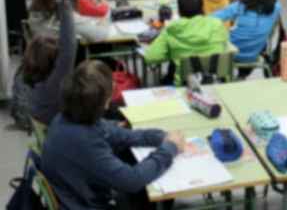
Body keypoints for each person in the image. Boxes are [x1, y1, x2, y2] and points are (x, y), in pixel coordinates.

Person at [42, 60, 185, 209]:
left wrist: (159, 136)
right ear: (101, 103)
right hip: (87, 204)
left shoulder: (70, 115)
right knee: (148, 185)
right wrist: (169, 149)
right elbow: (131, 181)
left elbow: (114, 132)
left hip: (77, 193)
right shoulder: (86, 142)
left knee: (141, 169)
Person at [24, 0, 76, 125]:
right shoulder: (55, 83)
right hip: (64, 132)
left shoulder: (33, 84)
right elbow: (68, 49)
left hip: (50, 129)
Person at [144, 0, 228, 85]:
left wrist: (172, 53)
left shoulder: (171, 30)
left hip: (185, 88)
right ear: (202, 7)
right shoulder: (217, 24)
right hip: (216, 84)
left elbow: (150, 57)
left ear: (179, 11)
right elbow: (224, 47)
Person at [213, 0, 281, 77]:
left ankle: (224, 77)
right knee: (261, 41)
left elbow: (213, 18)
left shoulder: (240, 6)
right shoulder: (276, 7)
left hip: (231, 53)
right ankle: (242, 75)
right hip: (254, 53)